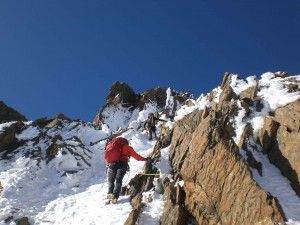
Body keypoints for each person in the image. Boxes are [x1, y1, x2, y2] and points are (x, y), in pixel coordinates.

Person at [105, 137, 148, 204]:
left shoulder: (110, 146)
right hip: (122, 164)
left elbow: (107, 157)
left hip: (111, 165)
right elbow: (136, 156)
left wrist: (107, 165)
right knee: (118, 180)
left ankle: (110, 196)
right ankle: (115, 197)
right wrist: (144, 159)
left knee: (111, 181)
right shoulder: (126, 147)